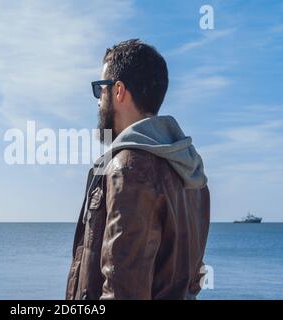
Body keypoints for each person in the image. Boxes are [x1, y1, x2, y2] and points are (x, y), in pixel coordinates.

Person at [65, 39, 210, 300]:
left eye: (101, 89)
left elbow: (123, 291)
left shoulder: (129, 167)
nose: (98, 101)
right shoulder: (191, 171)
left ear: (118, 90)